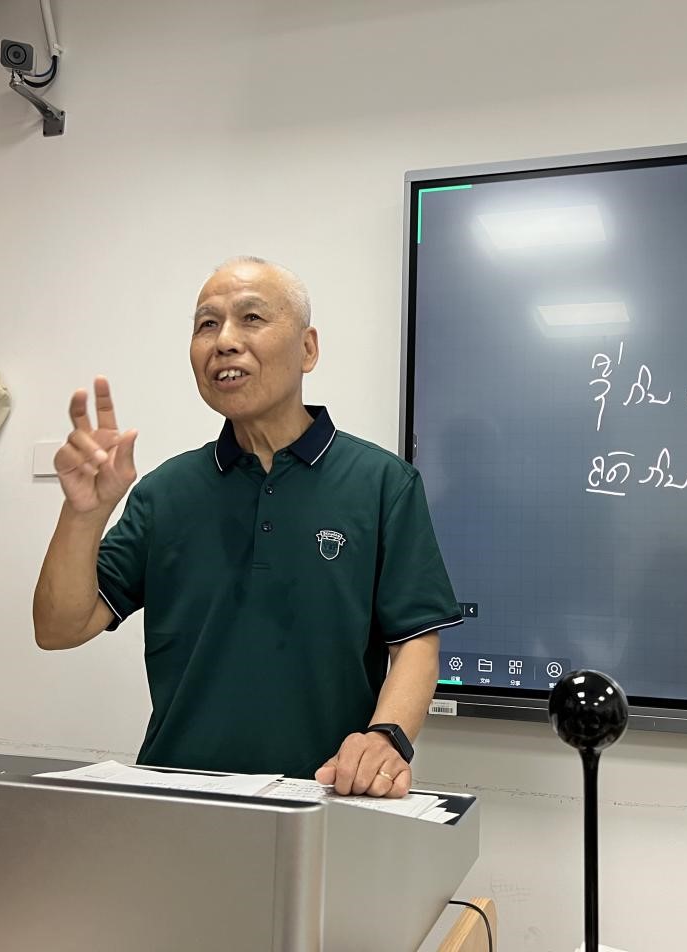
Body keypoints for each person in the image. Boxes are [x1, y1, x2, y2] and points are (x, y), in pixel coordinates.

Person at [32, 256, 462, 798]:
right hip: (176, 794)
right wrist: (83, 515)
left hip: (325, 796)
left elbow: (416, 641)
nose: (225, 342)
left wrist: (386, 738)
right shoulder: (166, 492)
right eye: (207, 324)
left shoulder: (382, 483)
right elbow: (59, 629)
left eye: (251, 318)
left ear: (307, 349)